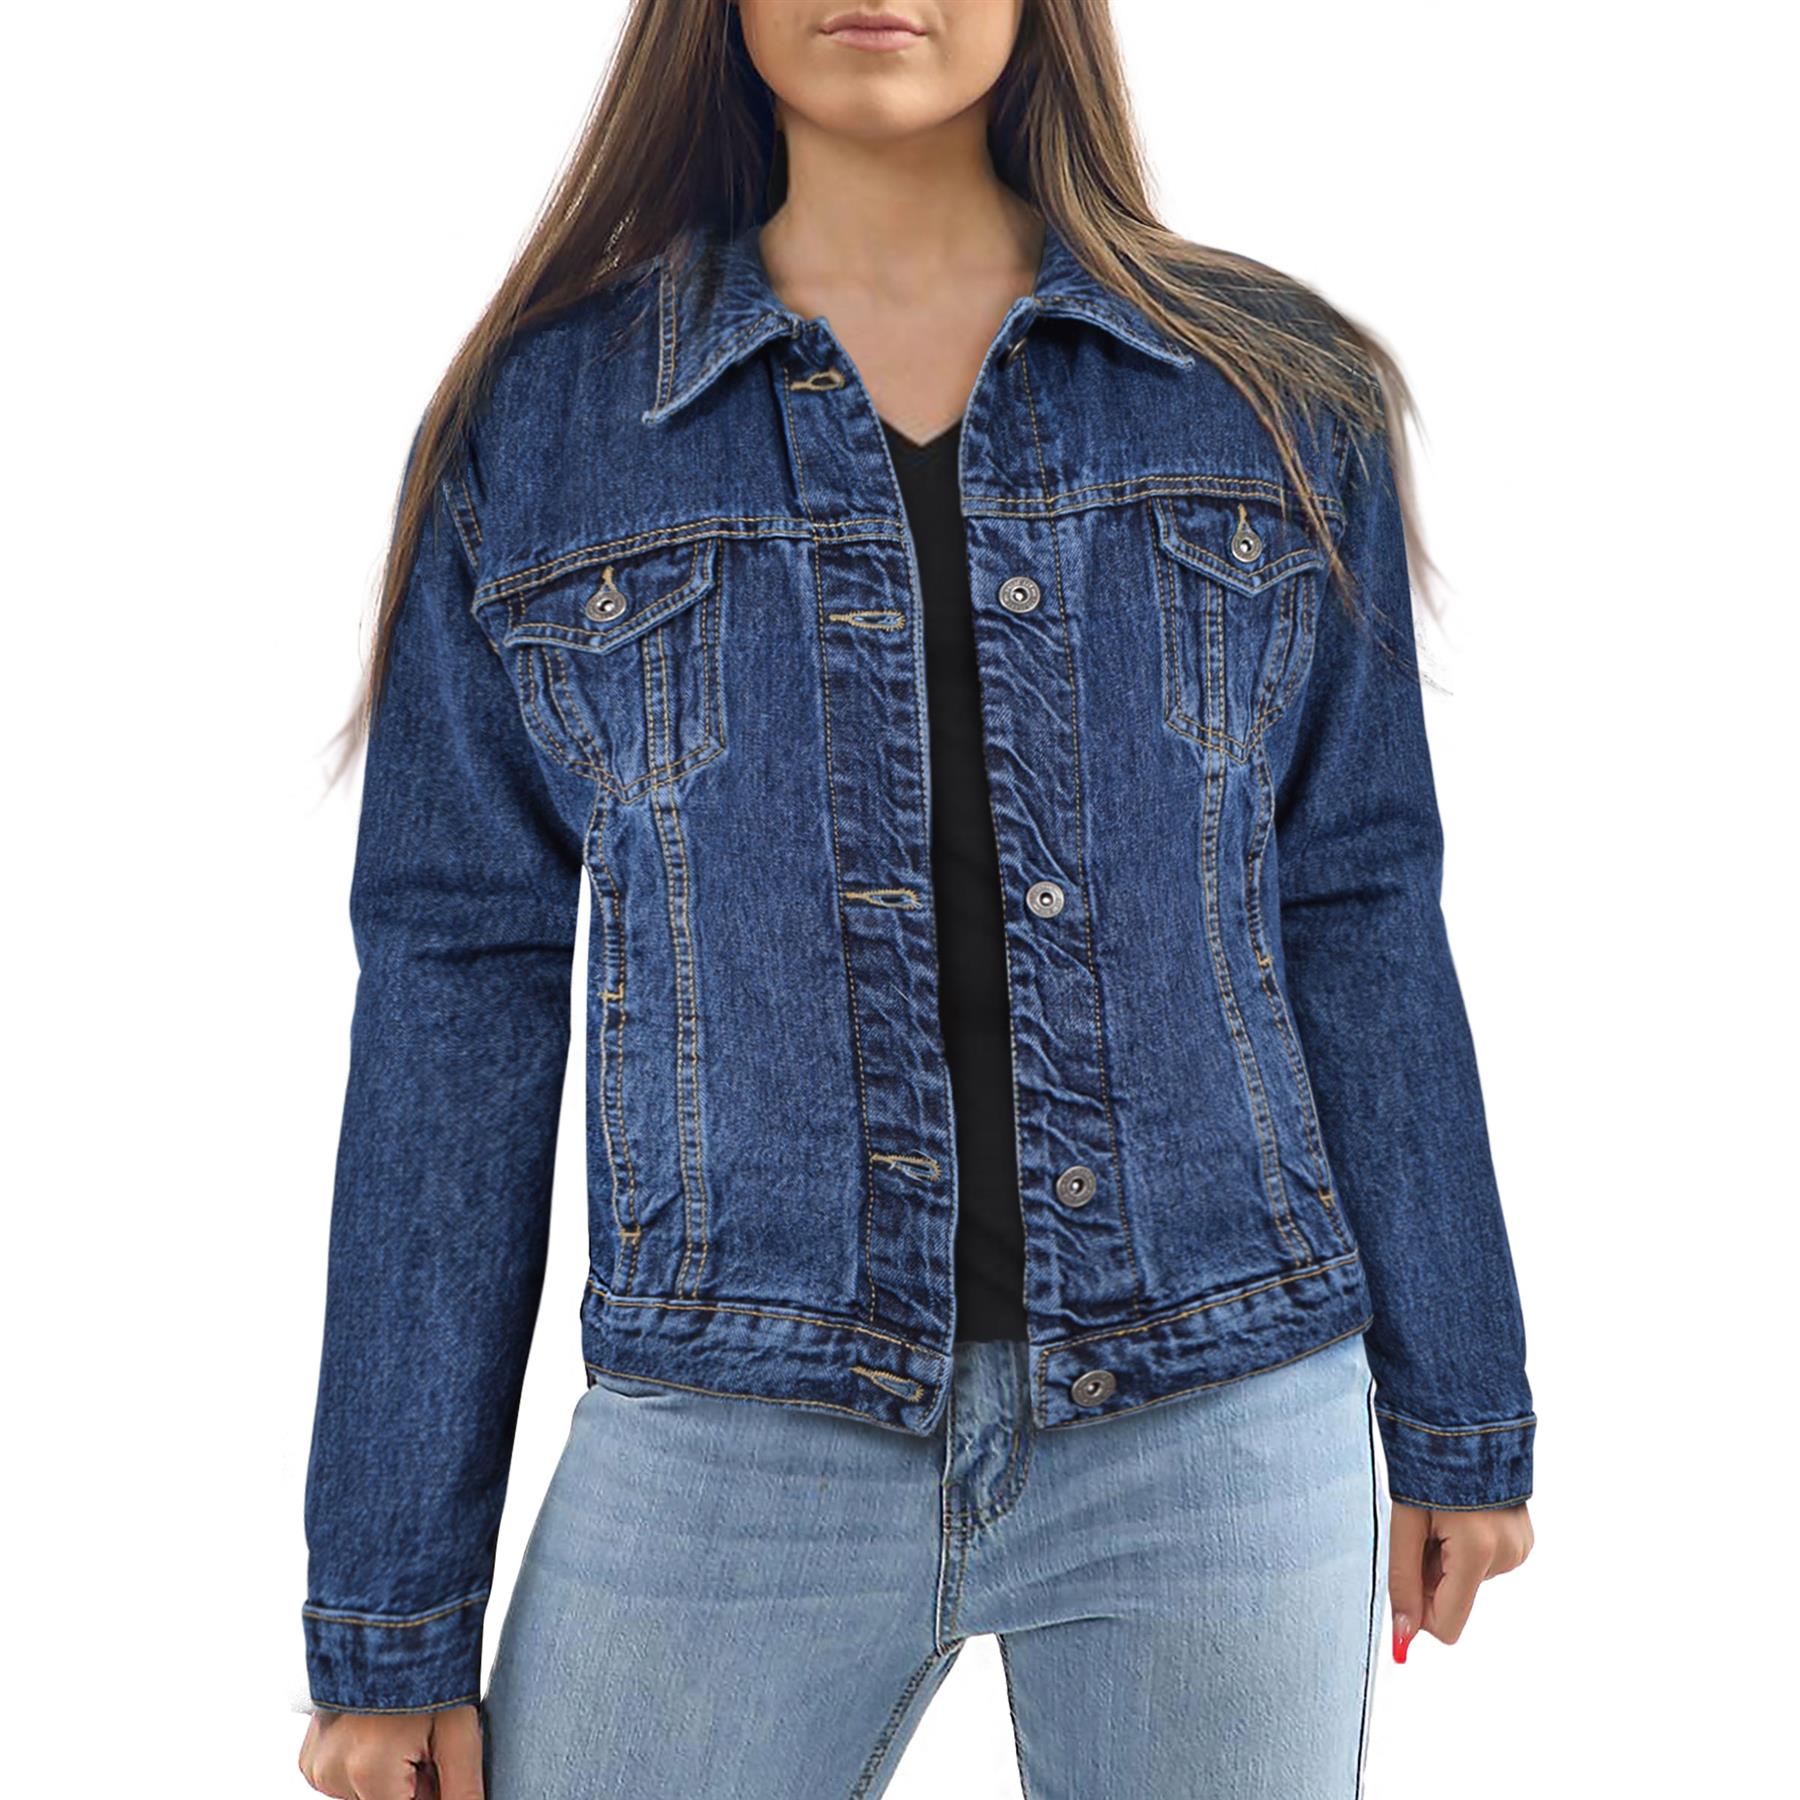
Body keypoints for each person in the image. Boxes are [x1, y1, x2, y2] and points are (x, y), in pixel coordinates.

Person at [297, 3, 1537, 1795]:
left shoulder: (1271, 386)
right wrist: (392, 1620)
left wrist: (1457, 1404)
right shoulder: (551, 425)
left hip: (1215, 1415)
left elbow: (1356, 899)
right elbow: (454, 995)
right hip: (734, 1424)